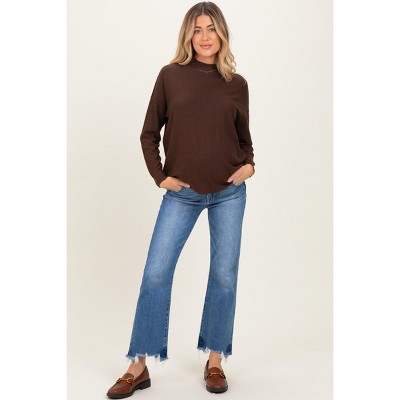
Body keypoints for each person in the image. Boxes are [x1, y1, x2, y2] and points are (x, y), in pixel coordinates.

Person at [106, 1, 255, 397]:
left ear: (221, 33)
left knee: (224, 275)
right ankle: (138, 364)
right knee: (156, 273)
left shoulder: (237, 84)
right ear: (188, 35)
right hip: (183, 194)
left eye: (211, 28)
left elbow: (244, 138)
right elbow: (148, 133)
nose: (205, 37)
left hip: (229, 193)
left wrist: (250, 165)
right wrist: (160, 177)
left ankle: (215, 360)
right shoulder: (170, 76)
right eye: (197, 29)